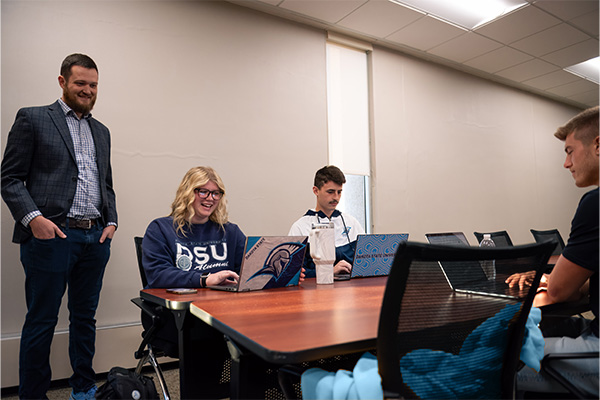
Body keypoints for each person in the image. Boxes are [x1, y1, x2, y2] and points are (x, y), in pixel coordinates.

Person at [1, 53, 117, 400]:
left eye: (93, 84)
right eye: (80, 83)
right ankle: (33, 396)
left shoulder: (102, 131)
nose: (87, 90)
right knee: (42, 321)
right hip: (52, 237)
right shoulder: (33, 118)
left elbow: (105, 183)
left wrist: (110, 221)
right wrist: (34, 220)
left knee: (85, 319)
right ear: (63, 82)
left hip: (94, 238)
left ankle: (83, 389)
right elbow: (9, 179)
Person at [507, 106, 599, 396]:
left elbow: (559, 293)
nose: (566, 163)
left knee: (498, 361)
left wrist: (550, 281)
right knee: (546, 329)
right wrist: (555, 279)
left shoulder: (595, 204)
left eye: (570, 151)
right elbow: (579, 287)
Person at [141, 166, 245, 399]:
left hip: (222, 312)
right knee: (208, 332)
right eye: (203, 191)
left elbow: (246, 269)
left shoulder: (230, 232)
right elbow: (157, 275)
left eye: (216, 193)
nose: (210, 198)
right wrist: (205, 279)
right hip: (177, 316)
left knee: (260, 328)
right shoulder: (161, 229)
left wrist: (277, 274)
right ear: (188, 192)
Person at [289, 165, 365, 277]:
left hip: (351, 289)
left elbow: (365, 263)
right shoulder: (300, 227)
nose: (336, 197)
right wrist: (329, 272)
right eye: (330, 192)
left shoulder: (352, 223)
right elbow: (295, 274)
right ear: (316, 191)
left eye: (339, 192)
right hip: (317, 291)